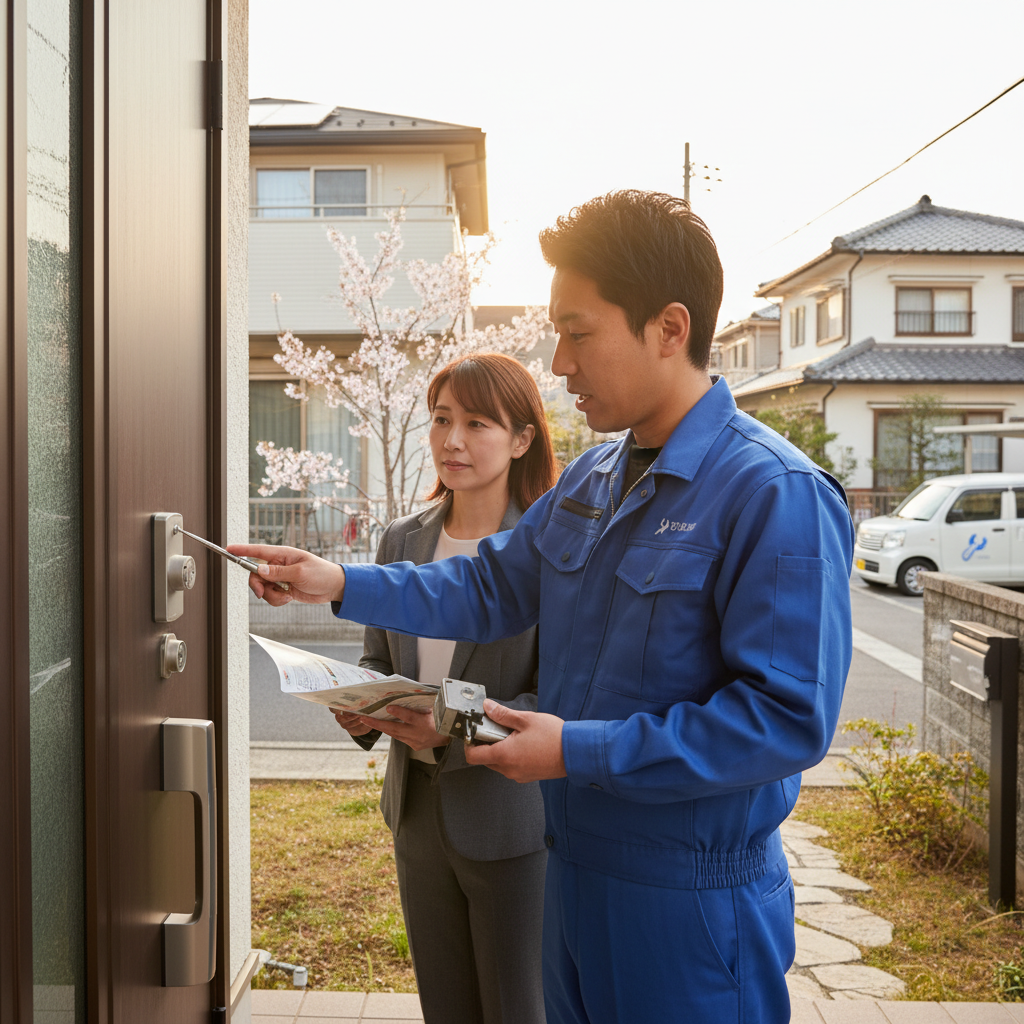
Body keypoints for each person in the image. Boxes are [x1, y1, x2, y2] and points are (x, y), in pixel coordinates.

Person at [233, 191, 854, 1024]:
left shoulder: (773, 493)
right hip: (572, 875)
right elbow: (487, 586)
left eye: (578, 332)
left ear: (670, 329)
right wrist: (338, 582)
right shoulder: (595, 481)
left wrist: (580, 751)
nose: (559, 364)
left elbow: (786, 720)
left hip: (687, 905)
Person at [335, 353, 556, 1024]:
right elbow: (379, 657)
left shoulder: (548, 547)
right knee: (445, 1005)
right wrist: (359, 708)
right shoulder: (403, 538)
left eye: (477, 423)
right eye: (440, 419)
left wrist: (451, 723)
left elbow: (562, 698)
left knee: (517, 1006)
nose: (451, 440)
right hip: (416, 812)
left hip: (510, 820)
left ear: (521, 440)